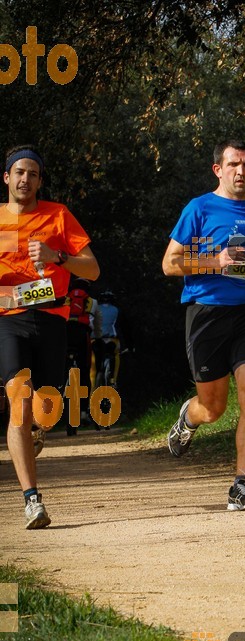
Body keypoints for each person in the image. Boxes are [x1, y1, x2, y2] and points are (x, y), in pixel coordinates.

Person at [162, 139, 245, 511]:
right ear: (218, 169)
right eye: (234, 164)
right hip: (207, 314)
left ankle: (241, 485)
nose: (241, 172)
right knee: (213, 408)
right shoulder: (199, 208)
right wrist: (215, 262)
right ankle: (189, 418)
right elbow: (170, 263)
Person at [0, 145, 99, 528]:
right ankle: (32, 500)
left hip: (52, 318)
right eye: (19, 172)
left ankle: (38, 431)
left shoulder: (58, 216)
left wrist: (59, 257)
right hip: (8, 320)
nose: (26, 179)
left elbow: (92, 270)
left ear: (40, 181)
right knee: (19, 403)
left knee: (46, 409)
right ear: (7, 177)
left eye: (33, 174)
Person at [65, 277, 98, 433]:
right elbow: (97, 325)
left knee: (63, 371)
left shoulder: (66, 298)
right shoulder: (92, 301)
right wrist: (97, 338)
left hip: (66, 335)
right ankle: (84, 412)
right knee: (85, 372)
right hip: (83, 336)